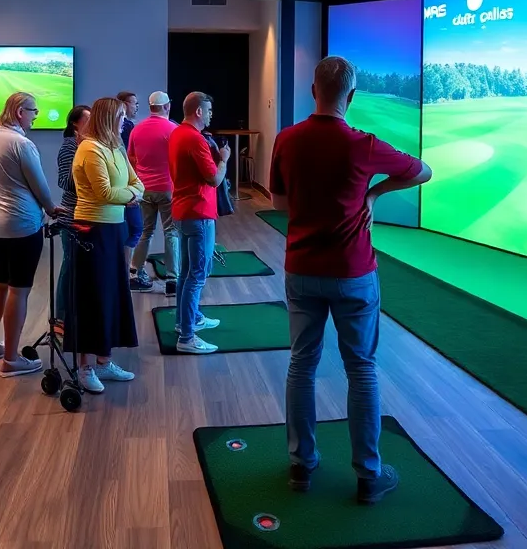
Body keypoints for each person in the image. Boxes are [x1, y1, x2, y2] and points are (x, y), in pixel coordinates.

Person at [269, 56, 432, 505]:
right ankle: (368, 476)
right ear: (352, 96)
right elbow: (422, 170)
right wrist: (373, 192)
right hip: (354, 273)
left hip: (301, 269)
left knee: (301, 365)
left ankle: (301, 467)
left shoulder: (287, 139)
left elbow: (280, 203)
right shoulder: (362, 144)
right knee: (361, 369)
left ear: (312, 91)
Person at [0, 92, 64, 377]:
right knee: (19, 288)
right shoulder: (22, 144)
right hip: (22, 224)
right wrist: (52, 208)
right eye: (33, 111)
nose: (36, 115)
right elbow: (39, 185)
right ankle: (12, 359)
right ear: (19, 112)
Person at [67, 96, 142, 394]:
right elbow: (105, 193)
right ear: (109, 119)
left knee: (112, 294)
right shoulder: (89, 148)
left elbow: (138, 182)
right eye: (121, 117)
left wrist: (131, 192)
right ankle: (84, 367)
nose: (125, 122)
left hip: (114, 228)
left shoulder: (115, 147)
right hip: (92, 229)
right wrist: (131, 194)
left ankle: (104, 361)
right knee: (92, 297)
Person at [167, 91, 230, 354]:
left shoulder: (177, 134)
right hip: (199, 213)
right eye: (209, 111)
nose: (211, 115)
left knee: (186, 273)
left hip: (184, 210)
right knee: (197, 275)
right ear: (199, 112)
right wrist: (224, 160)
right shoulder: (194, 139)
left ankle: (187, 322)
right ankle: (187, 337)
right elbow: (214, 179)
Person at [128, 90, 179, 294]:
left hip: (144, 189)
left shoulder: (137, 130)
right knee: (171, 233)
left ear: (150, 108)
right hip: (168, 188)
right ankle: (172, 280)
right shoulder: (173, 129)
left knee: (144, 233)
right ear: (166, 107)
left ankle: (135, 273)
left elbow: (131, 158)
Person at [54, 104, 91, 327]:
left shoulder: (88, 146)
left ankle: (76, 315)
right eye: (87, 120)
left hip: (88, 215)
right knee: (70, 266)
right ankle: (61, 317)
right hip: (72, 216)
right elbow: (65, 182)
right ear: (75, 124)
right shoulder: (69, 147)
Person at [117, 91, 149, 291]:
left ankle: (126, 272)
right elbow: (130, 158)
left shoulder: (127, 127)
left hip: (128, 188)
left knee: (134, 229)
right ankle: (128, 274)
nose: (137, 107)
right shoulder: (127, 128)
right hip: (127, 189)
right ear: (123, 104)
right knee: (135, 229)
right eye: (134, 103)